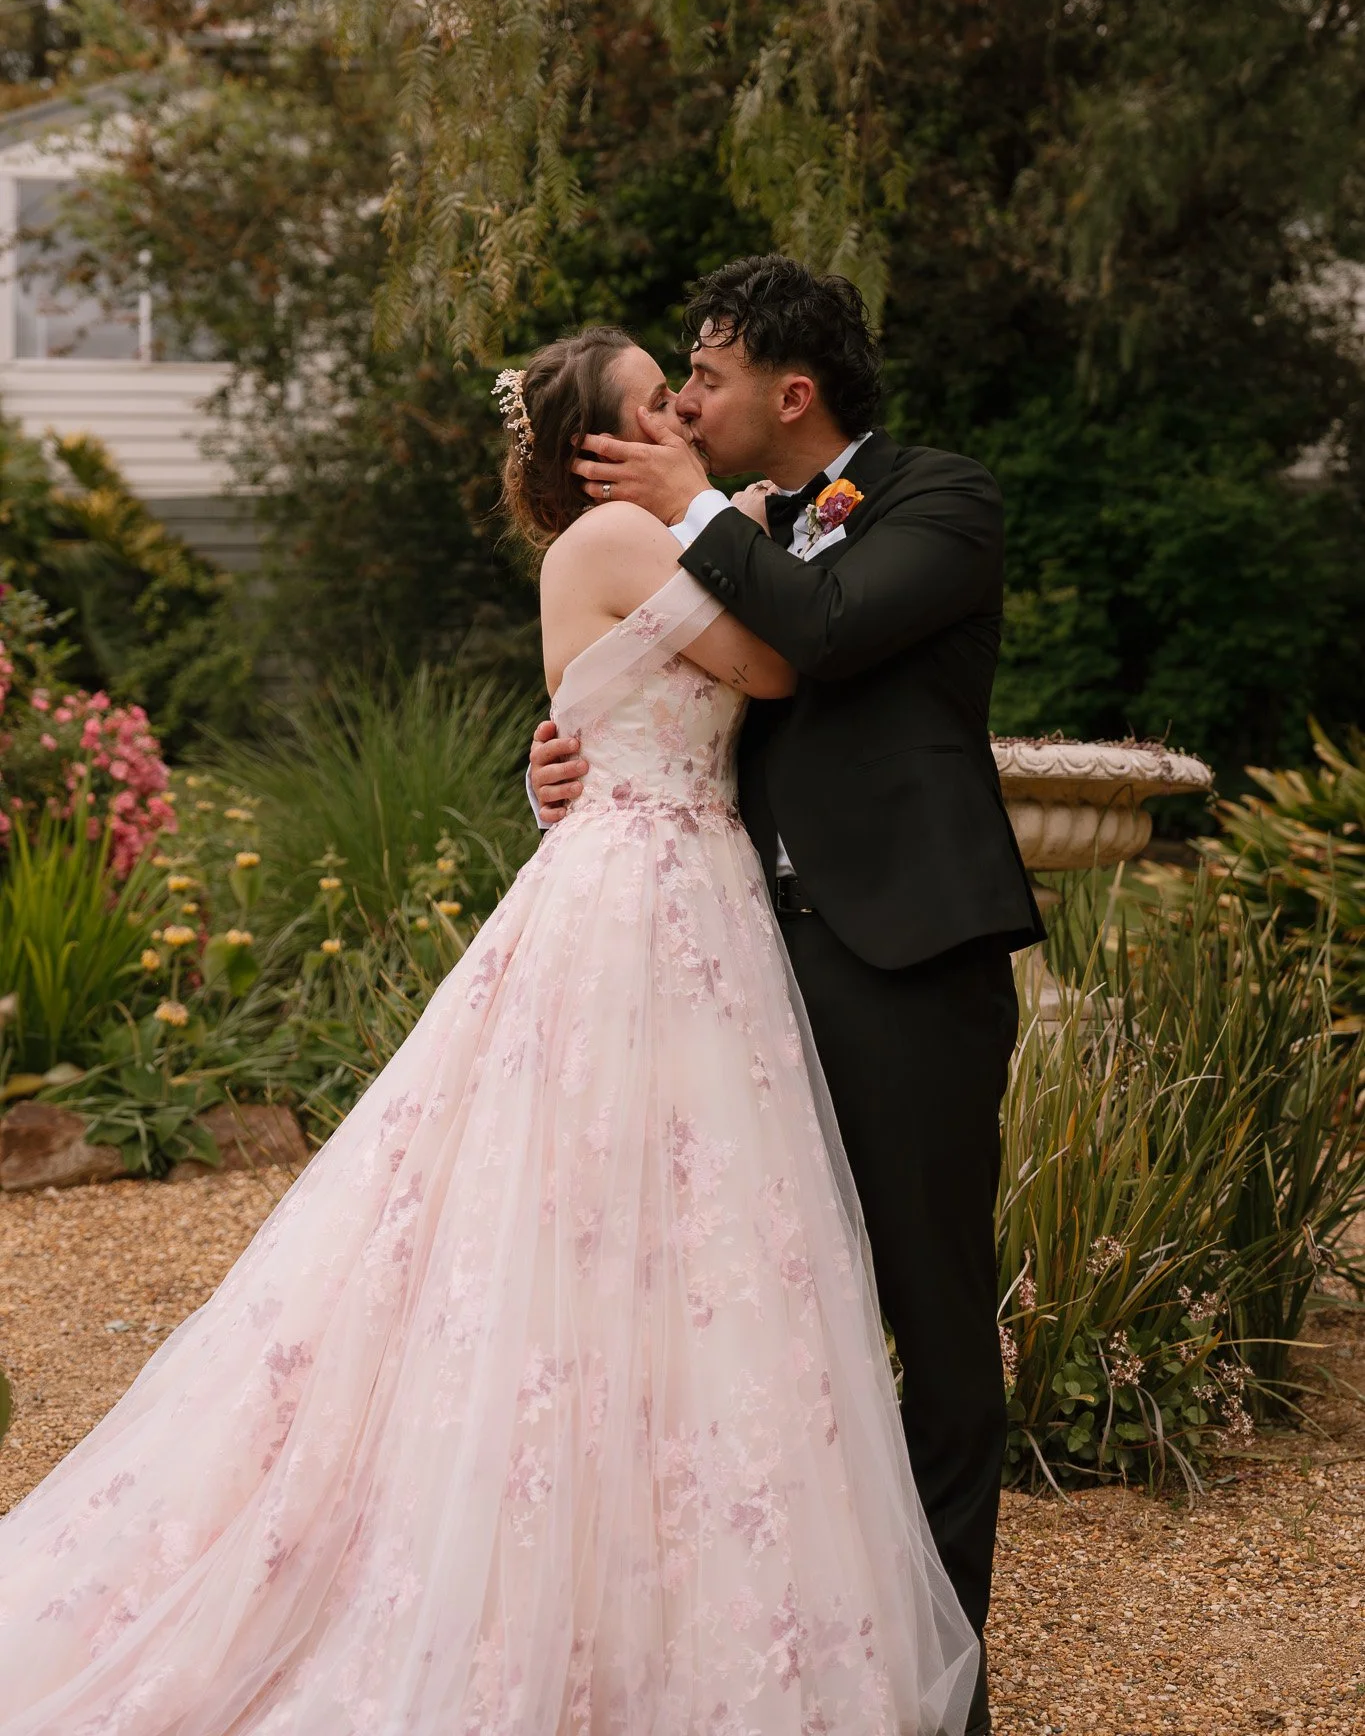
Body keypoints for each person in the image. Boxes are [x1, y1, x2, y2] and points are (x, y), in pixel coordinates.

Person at [0, 324, 978, 1736]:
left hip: (694, 897)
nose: (682, 422)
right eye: (654, 406)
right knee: (574, 1227)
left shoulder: (685, 527)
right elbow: (771, 673)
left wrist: (740, 527)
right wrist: (726, 521)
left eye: (682, 401)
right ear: (598, 447)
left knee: (688, 1248)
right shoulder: (613, 542)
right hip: (637, 905)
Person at [530, 263, 1046, 1736]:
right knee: (744, 1321)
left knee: (934, 1328)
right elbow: (661, 681)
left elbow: (815, 637)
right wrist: (557, 754)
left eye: (708, 378)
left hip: (907, 966)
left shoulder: (943, 501)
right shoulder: (726, 533)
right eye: (674, 382)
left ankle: (943, 1695)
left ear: (791, 393)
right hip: (734, 971)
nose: (686, 406)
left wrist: (690, 503)